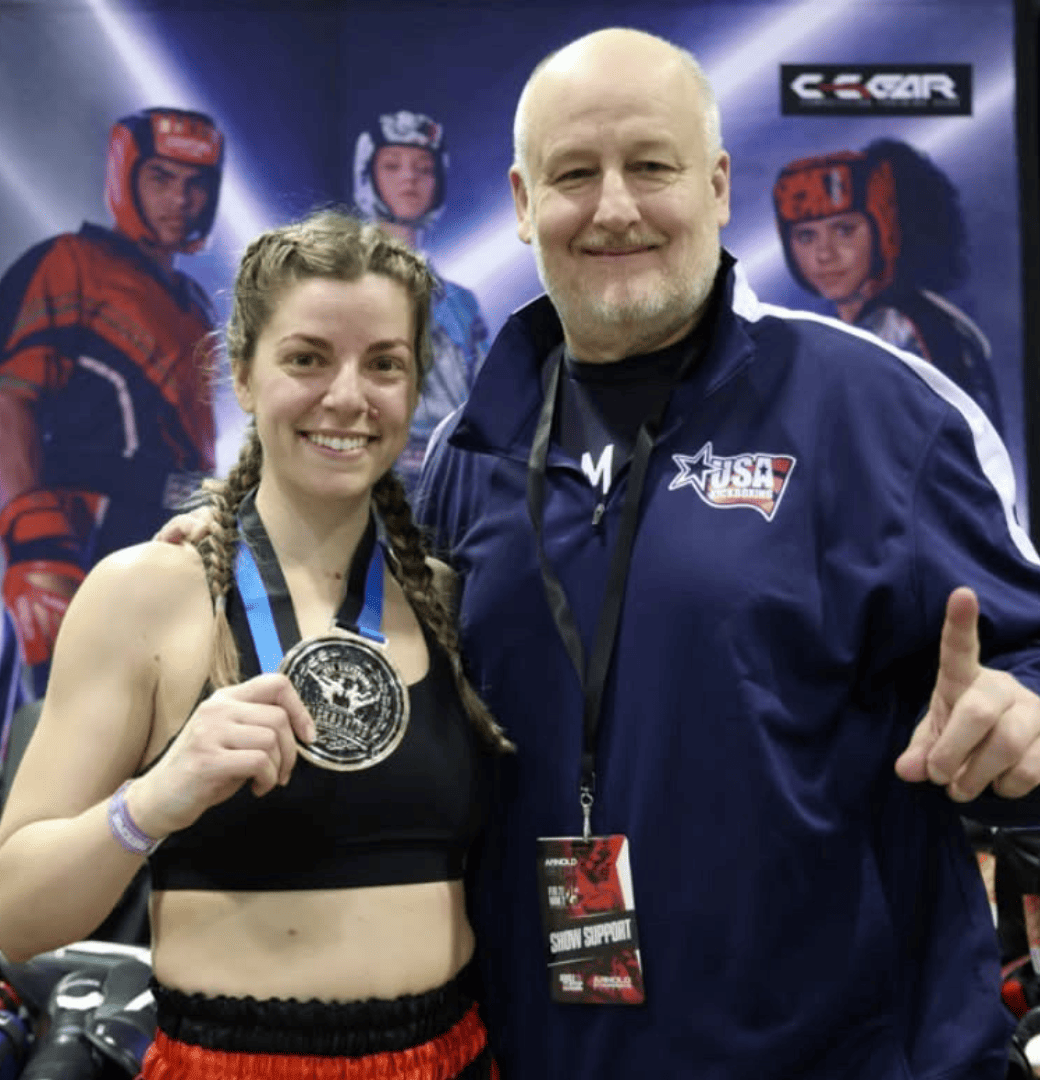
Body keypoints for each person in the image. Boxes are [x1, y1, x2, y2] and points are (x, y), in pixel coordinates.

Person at [410, 28, 1040, 1080]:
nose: (613, 206)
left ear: (716, 185)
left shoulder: (881, 413)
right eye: (574, 174)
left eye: (651, 167)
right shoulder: (465, 452)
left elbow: (1024, 662)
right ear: (522, 203)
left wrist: (1029, 717)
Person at [0, 210, 510, 1080]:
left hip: (457, 1057)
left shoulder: (449, 601)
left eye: (384, 364)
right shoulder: (144, 594)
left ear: (415, 390)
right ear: (242, 371)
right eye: (307, 358)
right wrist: (151, 802)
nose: (348, 396)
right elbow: (17, 917)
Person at [0, 107, 224, 757]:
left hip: (176, 533)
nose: (180, 199)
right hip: (85, 522)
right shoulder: (68, 262)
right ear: (126, 175)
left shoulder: (197, 304)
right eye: (162, 178)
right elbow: (4, 401)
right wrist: (33, 538)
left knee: (157, 721)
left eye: (195, 183)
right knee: (51, 723)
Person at [772, 140, 1005, 432]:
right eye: (806, 236)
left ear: (885, 229)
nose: (824, 254)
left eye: (844, 230)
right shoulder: (861, 326)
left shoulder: (908, 327)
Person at [353, 110, 490, 496]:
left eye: (423, 168)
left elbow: (487, 405)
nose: (409, 178)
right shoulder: (336, 285)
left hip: (450, 484)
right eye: (392, 165)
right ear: (368, 173)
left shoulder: (461, 304)